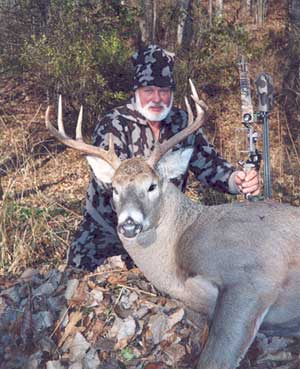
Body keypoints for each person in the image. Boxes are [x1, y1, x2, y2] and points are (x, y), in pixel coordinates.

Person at [67, 44, 259, 271]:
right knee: (80, 273)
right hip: (111, 231)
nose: (157, 98)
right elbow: (107, 185)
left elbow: (209, 164)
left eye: (164, 90)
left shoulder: (183, 123)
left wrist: (236, 179)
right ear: (136, 92)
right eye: (148, 90)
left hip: (164, 230)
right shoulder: (114, 124)